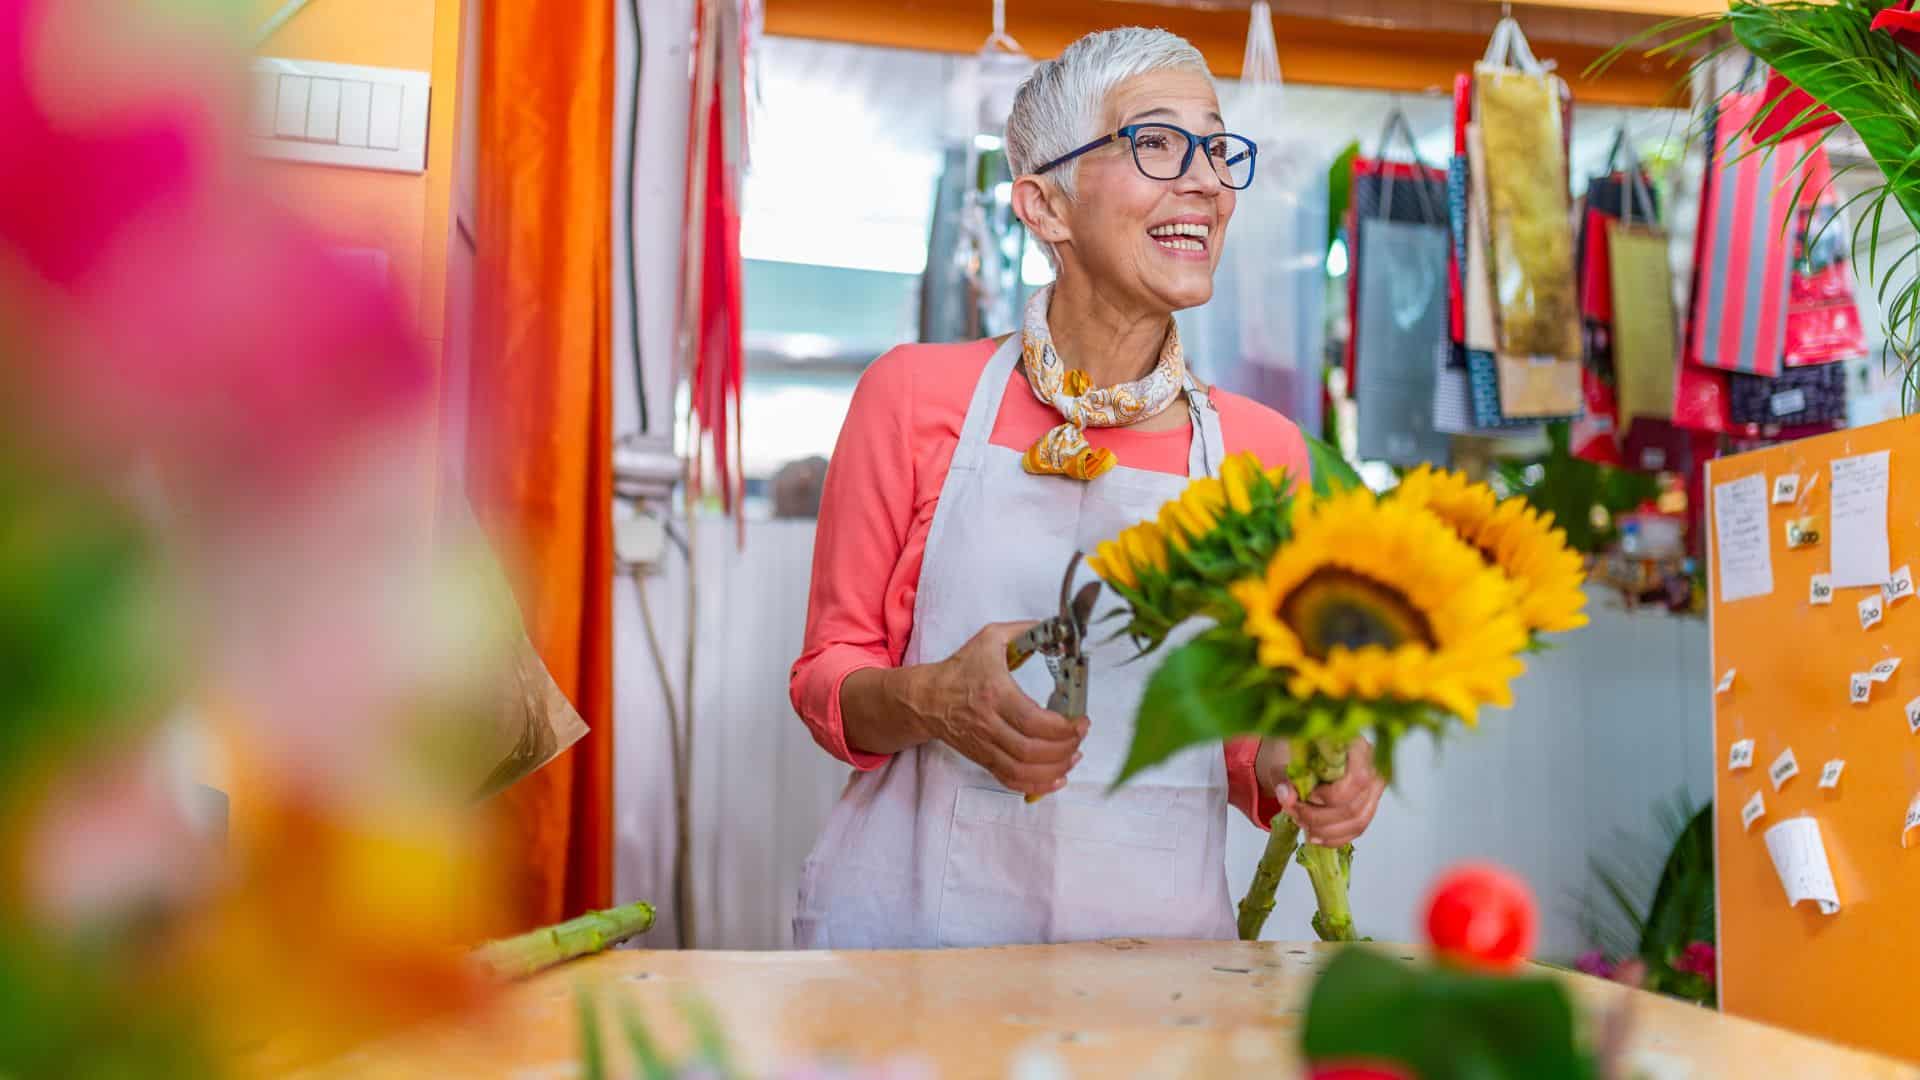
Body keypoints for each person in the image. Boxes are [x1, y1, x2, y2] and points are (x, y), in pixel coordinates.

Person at [787, 27, 1385, 949]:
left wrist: (1298, 763)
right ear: (1045, 206)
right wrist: (933, 697)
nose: (1206, 183)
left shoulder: (1262, 455)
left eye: (1217, 148)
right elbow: (829, 675)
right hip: (915, 946)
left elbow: (1237, 741)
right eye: (1155, 144)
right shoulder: (910, 396)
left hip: (1159, 966)